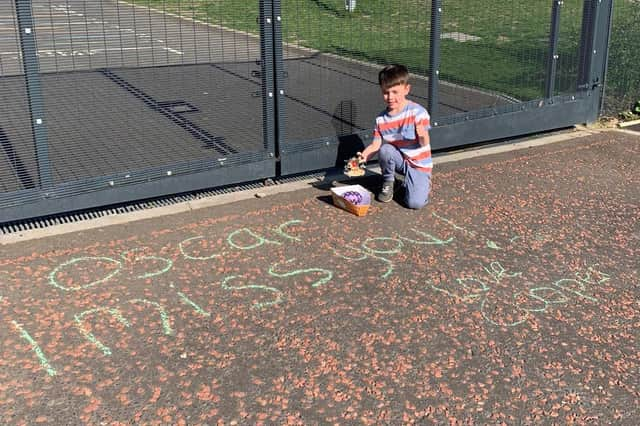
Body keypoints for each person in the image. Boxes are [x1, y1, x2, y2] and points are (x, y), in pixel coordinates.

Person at [356, 64, 432, 209]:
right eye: (386, 92)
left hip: (419, 165)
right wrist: (361, 159)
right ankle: (388, 182)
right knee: (385, 150)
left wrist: (422, 135)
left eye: (395, 92)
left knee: (414, 204)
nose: (390, 97)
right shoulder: (381, 119)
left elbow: (424, 144)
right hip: (401, 160)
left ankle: (421, 183)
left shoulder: (417, 112)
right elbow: (375, 146)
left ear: (406, 89)